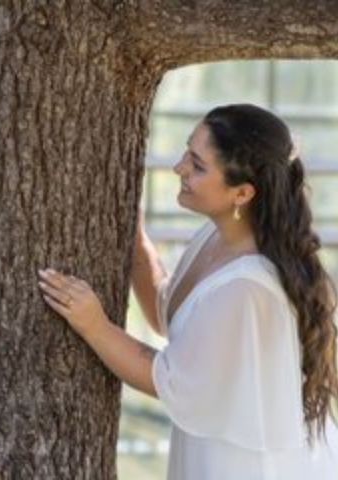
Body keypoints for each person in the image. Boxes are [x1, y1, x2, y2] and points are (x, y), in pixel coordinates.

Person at [38, 104, 338, 479]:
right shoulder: (215, 237)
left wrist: (94, 326)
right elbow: (170, 314)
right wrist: (135, 242)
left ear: (242, 193)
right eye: (186, 152)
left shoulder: (248, 287)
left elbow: (171, 380)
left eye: (197, 165)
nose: (179, 167)